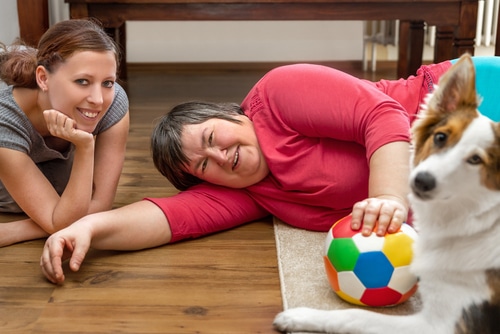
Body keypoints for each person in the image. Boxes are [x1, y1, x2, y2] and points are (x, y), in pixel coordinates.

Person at [40, 56, 456, 284]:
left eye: (210, 137)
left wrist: (387, 197)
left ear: (229, 113)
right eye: (204, 166)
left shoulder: (278, 92)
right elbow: (168, 218)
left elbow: (382, 116)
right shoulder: (247, 191)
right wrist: (88, 228)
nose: (220, 157)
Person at [0, 19, 130, 247]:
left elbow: (97, 206)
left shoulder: (113, 100)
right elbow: (62, 222)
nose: (98, 99)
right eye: (82, 81)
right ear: (43, 78)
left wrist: (85, 146)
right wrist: (59, 219)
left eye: (107, 82)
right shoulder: (5, 122)